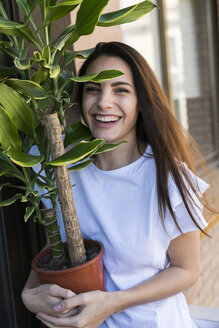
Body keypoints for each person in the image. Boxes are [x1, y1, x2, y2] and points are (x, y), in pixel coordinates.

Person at [22, 41, 211, 328]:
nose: (104, 103)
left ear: (141, 102)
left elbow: (187, 270)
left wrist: (113, 302)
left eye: (121, 90)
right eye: (93, 89)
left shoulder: (169, 178)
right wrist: (29, 295)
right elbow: (54, 249)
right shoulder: (59, 170)